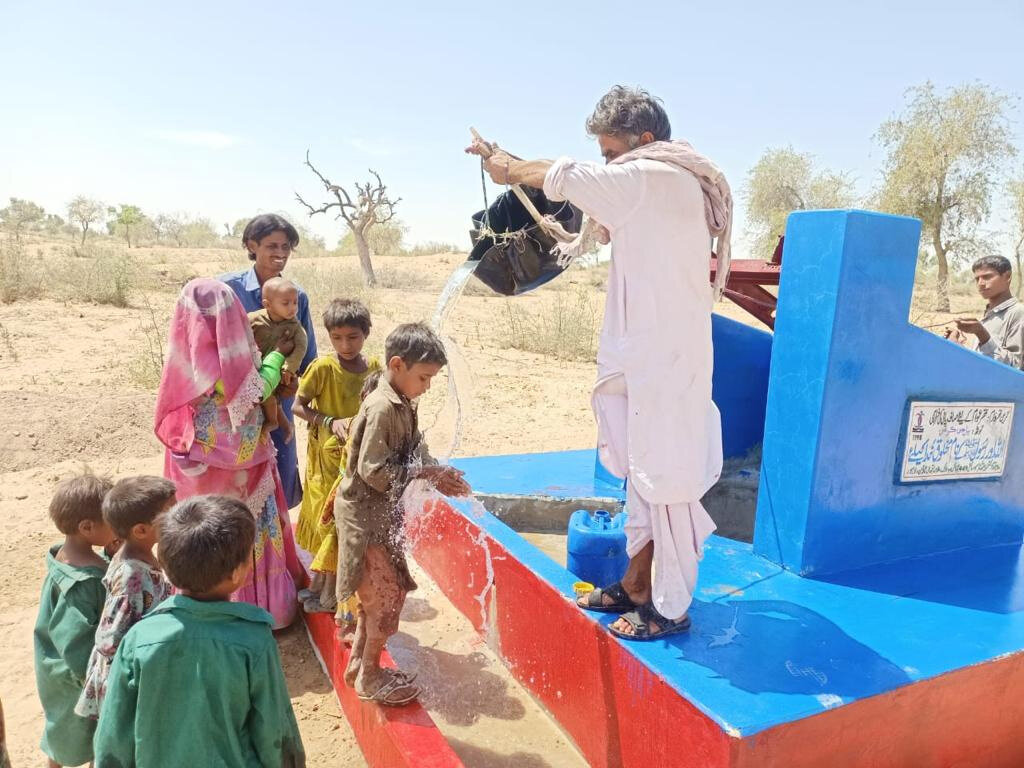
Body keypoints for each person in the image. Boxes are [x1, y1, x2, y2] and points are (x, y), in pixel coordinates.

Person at [467, 85, 730, 640]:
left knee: (669, 483)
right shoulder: (654, 184)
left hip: (666, 362)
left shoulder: (655, 178)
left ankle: (671, 606)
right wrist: (513, 165)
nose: (607, 163)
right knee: (644, 477)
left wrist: (508, 165)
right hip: (651, 356)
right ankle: (637, 584)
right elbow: (580, 188)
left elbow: (570, 176)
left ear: (646, 141)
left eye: (611, 152)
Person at [93, 495, 306, 767]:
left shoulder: (139, 639)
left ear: (166, 565)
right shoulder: (253, 640)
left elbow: (113, 734)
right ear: (238, 573)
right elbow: (274, 730)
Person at [154, 278, 305, 629]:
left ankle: (198, 602)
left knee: (200, 530)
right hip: (241, 461)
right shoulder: (231, 361)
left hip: (196, 464)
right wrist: (276, 357)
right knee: (246, 529)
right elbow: (256, 387)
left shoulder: (186, 359)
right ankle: (267, 609)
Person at [335, 323, 470, 705]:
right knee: (384, 597)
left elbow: (415, 449)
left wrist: (436, 470)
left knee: (377, 598)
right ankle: (371, 677)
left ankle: (361, 663)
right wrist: (425, 473)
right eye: (424, 377)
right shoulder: (381, 407)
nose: (427, 386)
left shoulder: (403, 401)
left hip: (378, 517)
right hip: (364, 518)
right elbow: (373, 472)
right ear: (397, 364)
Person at [221, 214, 318, 508]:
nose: (280, 254)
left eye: (286, 247)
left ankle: (277, 547)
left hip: (278, 399)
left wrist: (294, 381)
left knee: (279, 471)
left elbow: (307, 354)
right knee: (234, 480)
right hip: (233, 402)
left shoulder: (296, 296)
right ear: (252, 245)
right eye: (272, 246)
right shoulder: (227, 290)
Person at [293, 298, 381, 615]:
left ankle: (333, 591)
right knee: (324, 519)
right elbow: (298, 407)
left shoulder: (373, 370)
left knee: (346, 521)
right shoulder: (323, 369)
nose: (345, 345)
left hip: (354, 461)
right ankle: (321, 587)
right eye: (337, 338)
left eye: (353, 337)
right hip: (325, 459)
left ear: (366, 334)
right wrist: (331, 422)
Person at [75, 476, 176, 720]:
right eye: (170, 513)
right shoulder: (131, 578)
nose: (178, 516)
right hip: (127, 681)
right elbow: (111, 642)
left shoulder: (144, 555)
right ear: (141, 530)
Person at [33, 473, 116, 768]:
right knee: (90, 735)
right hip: (75, 678)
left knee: (61, 735)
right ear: (87, 527)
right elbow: (74, 641)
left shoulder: (63, 559)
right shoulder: (85, 583)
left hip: (52, 667)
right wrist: (96, 682)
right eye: (112, 520)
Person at [249, 276, 309, 444]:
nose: (293, 308)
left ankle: (274, 422)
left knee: (270, 396)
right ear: (268, 305)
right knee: (264, 396)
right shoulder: (254, 319)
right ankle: (281, 423)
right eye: (286, 303)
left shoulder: (295, 326)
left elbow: (301, 347)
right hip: (255, 369)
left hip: (277, 372)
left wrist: (290, 367)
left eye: (295, 302)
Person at [946, 255, 1023, 370]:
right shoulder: (990, 313)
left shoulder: (1018, 313)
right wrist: (958, 347)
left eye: (987, 277)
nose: (980, 283)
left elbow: (1015, 367)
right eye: (977, 279)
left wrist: (981, 334)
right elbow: (984, 361)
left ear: (1007, 277)